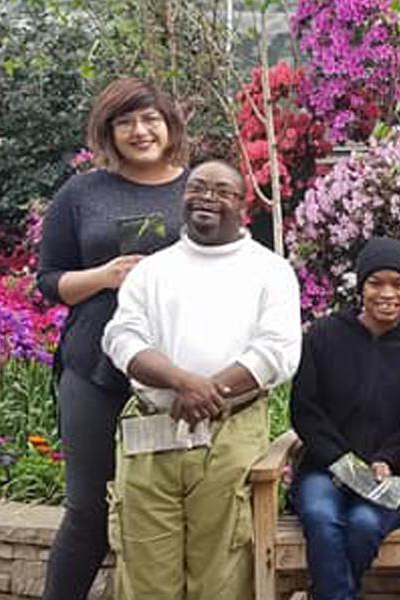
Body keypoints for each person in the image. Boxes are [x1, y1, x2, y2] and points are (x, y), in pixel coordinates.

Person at [99, 159, 301, 599]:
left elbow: (277, 351)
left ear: (243, 206)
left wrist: (209, 392)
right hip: (152, 432)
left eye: (222, 190)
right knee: (145, 571)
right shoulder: (152, 271)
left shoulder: (270, 271)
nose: (207, 197)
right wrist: (183, 382)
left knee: (224, 573)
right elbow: (121, 338)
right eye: (198, 187)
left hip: (230, 434)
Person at [35, 77, 191, 600]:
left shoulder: (199, 190)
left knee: (172, 509)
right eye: (125, 121)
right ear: (108, 131)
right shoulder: (82, 193)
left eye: (150, 118)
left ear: (169, 124)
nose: (140, 131)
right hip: (94, 367)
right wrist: (104, 275)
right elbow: (50, 281)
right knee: (87, 510)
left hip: (179, 371)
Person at [285, 237, 400, 600]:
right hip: (326, 467)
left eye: (399, 284)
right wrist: (341, 460)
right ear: (361, 285)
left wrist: (388, 458)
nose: (388, 293)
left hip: (392, 474)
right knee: (323, 520)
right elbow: (305, 410)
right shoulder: (325, 335)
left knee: (363, 524)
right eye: (376, 282)